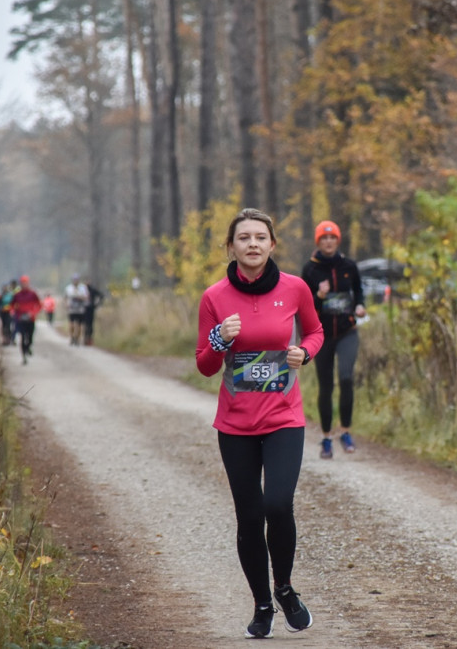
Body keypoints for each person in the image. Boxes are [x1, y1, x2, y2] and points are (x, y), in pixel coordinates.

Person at [196, 208, 324, 639]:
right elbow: (205, 366)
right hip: (235, 426)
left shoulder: (295, 289)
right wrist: (219, 339)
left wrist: (304, 352)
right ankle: (262, 603)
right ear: (230, 247)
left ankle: (284, 587)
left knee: (277, 505)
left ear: (272, 245)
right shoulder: (214, 298)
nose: (252, 244)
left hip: (284, 418)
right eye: (243, 238)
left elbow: (316, 332)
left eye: (260, 237)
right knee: (249, 517)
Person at [301, 220, 367, 459]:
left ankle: (346, 432)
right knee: (326, 386)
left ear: (338, 240)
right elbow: (304, 305)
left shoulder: (349, 265)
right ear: (318, 242)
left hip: (347, 332)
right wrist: (319, 296)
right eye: (323, 238)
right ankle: (327, 438)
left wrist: (360, 306)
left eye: (332, 238)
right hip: (322, 335)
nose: (328, 242)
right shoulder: (310, 269)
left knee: (347, 378)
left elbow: (359, 291)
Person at [10, 275, 43, 364]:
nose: (24, 285)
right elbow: (12, 305)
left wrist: (33, 313)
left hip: (31, 319)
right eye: (22, 283)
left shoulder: (33, 294)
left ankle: (28, 347)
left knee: (30, 336)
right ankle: (24, 356)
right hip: (21, 319)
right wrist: (14, 312)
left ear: (28, 283)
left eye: (26, 283)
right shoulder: (17, 295)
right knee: (22, 337)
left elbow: (39, 305)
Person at [64, 274, 90, 346]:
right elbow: (65, 297)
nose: (75, 281)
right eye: (74, 280)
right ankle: (72, 337)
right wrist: (66, 304)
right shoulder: (68, 288)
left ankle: (77, 339)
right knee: (71, 324)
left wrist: (80, 297)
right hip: (72, 309)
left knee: (80, 325)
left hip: (80, 309)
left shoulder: (83, 288)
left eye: (77, 280)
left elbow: (86, 297)